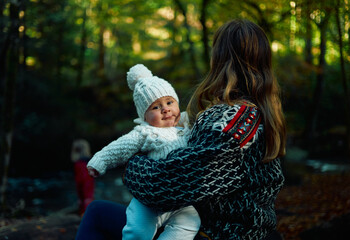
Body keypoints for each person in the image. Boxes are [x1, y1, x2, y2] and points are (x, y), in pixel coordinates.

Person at [76, 18, 286, 240]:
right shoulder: (260, 116)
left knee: (97, 213)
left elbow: (165, 186)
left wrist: (132, 164)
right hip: (248, 231)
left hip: (222, 234)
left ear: (220, 60)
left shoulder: (233, 123)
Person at [83, 64, 201, 240]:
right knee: (137, 230)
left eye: (169, 102)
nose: (165, 109)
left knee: (190, 222)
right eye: (156, 107)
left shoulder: (188, 124)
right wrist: (99, 162)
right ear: (144, 116)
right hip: (149, 201)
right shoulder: (145, 132)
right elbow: (120, 147)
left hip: (181, 202)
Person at [71, 139, 95, 216]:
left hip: (83, 186)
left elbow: (80, 181)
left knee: (84, 201)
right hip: (87, 186)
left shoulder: (78, 164)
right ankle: (86, 214)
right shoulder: (88, 163)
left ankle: (84, 214)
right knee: (87, 200)